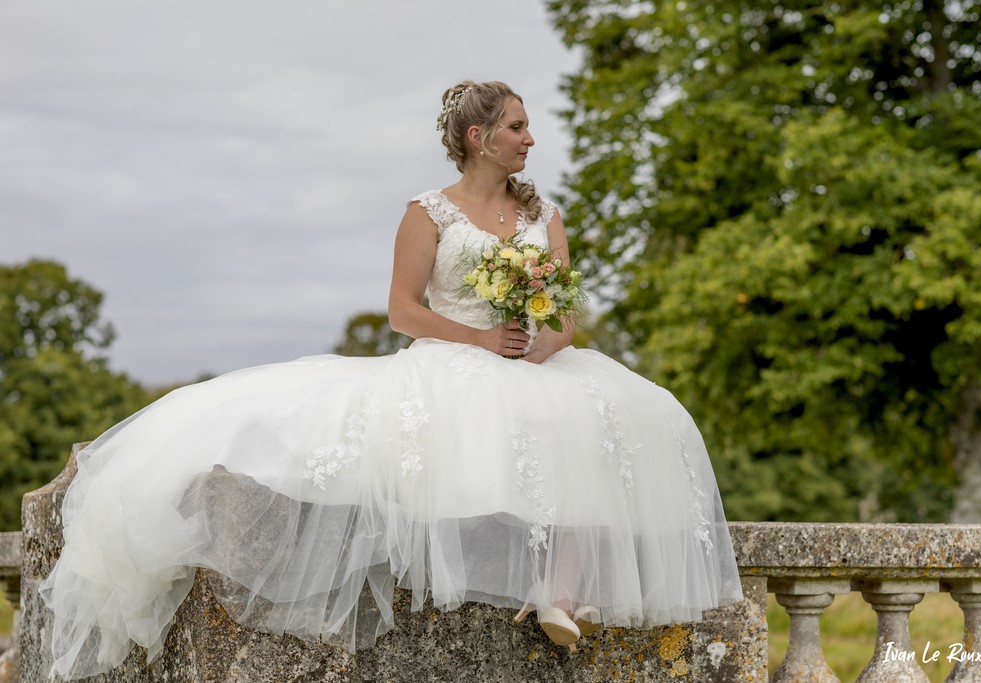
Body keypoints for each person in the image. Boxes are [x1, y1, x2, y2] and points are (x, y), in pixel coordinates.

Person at [39, 80, 743, 679]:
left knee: (603, 410)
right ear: (478, 135)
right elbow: (403, 311)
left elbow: (562, 312)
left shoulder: (542, 216)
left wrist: (541, 347)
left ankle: (560, 589)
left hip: (534, 358)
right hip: (457, 352)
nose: (531, 138)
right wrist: (482, 339)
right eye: (517, 126)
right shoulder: (428, 211)